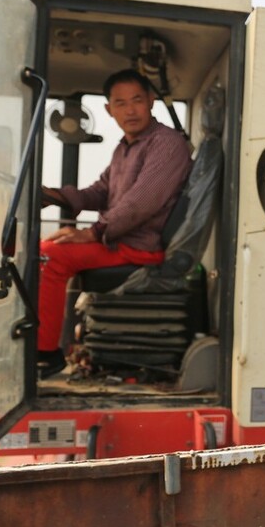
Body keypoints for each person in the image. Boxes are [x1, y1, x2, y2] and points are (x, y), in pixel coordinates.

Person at [37, 69, 193, 375]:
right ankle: (39, 342)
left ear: (151, 101)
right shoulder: (124, 147)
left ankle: (44, 354)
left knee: (49, 256)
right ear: (109, 110)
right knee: (42, 246)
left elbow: (141, 203)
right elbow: (101, 192)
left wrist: (94, 233)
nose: (130, 110)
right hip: (118, 241)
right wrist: (58, 196)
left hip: (140, 246)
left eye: (137, 100)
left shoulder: (166, 144)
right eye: (120, 103)